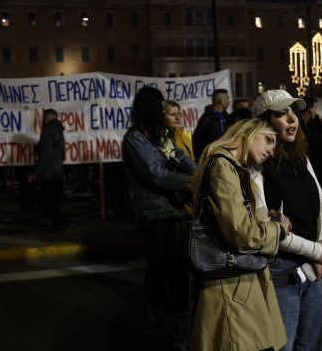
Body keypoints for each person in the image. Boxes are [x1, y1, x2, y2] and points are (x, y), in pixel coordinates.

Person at [189, 118, 290, 351]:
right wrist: (278, 230)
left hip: (236, 280)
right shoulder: (223, 167)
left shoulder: (232, 167)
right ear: (248, 133)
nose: (271, 151)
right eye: (268, 140)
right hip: (231, 284)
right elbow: (241, 233)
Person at [253, 89, 322, 351]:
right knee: (282, 346)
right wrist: (317, 252)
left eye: (293, 111)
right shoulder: (256, 165)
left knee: (314, 344)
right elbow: (269, 229)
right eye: (281, 113)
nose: (292, 118)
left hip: (314, 267)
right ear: (264, 122)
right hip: (281, 269)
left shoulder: (301, 156)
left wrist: (321, 244)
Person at [122, 87, 197, 338]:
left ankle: (177, 316)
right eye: (159, 106)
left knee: (178, 266)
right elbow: (156, 174)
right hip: (153, 213)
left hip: (173, 210)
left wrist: (200, 173)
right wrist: (190, 182)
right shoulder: (135, 139)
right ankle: (156, 315)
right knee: (160, 266)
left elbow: (179, 156)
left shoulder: (159, 136)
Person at [28, 108, 71, 231]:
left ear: (47, 118)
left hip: (47, 174)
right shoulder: (59, 131)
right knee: (53, 202)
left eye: (43, 118)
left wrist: (35, 172)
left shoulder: (48, 131)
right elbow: (61, 155)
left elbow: (45, 155)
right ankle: (59, 225)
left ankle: (62, 222)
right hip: (56, 172)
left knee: (40, 200)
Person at [192, 88, 230, 160]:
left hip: (225, 157)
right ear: (221, 101)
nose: (229, 102)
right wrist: (202, 158)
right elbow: (197, 139)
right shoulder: (206, 118)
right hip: (210, 158)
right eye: (227, 99)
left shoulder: (227, 117)